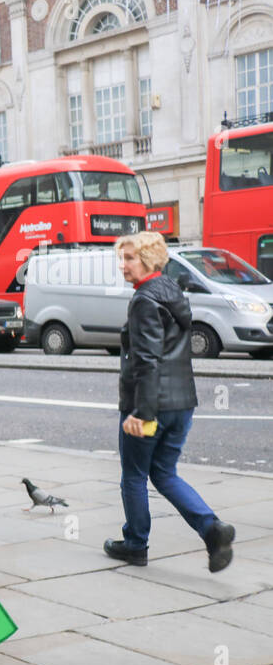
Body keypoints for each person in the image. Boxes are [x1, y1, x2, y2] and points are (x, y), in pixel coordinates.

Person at [104, 231, 235, 572]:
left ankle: (135, 544)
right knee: (164, 472)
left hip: (152, 405)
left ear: (148, 259)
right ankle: (212, 529)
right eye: (122, 258)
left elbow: (147, 360)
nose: (123, 265)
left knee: (134, 475)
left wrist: (140, 412)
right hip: (182, 403)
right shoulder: (174, 292)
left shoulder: (145, 300)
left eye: (129, 258)